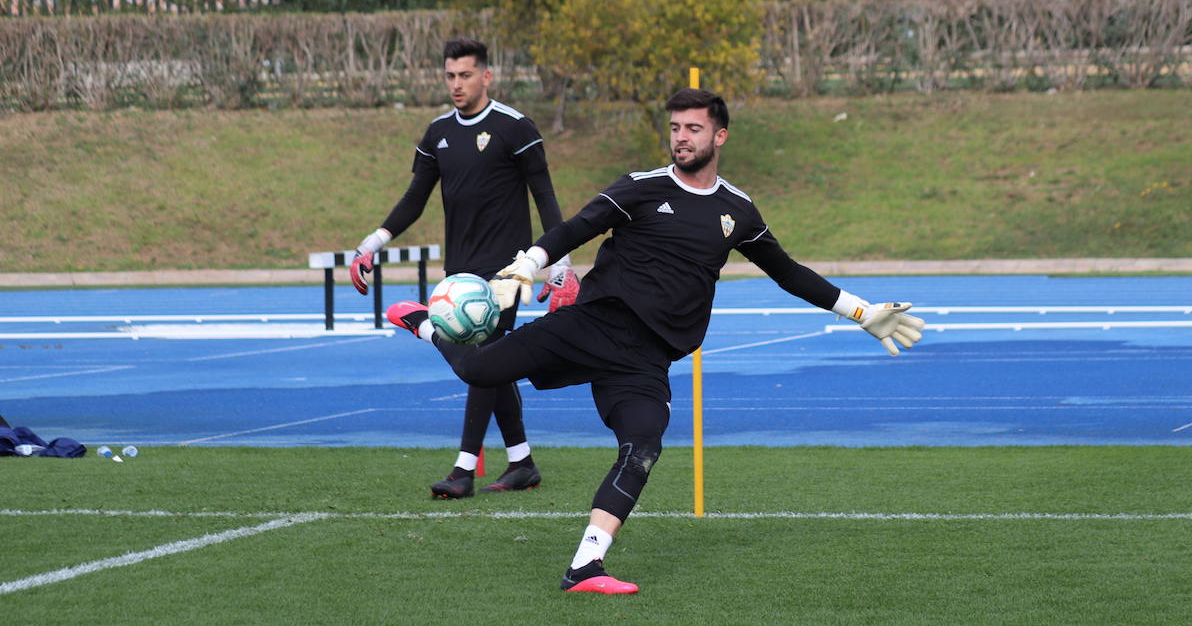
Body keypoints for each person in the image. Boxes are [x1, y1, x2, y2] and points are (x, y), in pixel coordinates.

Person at [385, 88, 923, 594]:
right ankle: (425, 324)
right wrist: (527, 265)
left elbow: (788, 272)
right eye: (675, 128)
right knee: (477, 371)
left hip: (646, 358)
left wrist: (860, 311)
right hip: (591, 325)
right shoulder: (642, 187)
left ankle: (585, 565)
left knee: (642, 446)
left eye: (694, 128)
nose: (682, 137)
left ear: (720, 137)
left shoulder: (737, 211)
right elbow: (577, 227)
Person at [349, 37, 579, 500]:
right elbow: (415, 200)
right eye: (451, 76)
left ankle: (462, 470)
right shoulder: (438, 134)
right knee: (492, 367)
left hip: (510, 271)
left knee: (480, 362)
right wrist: (371, 243)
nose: (457, 84)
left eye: (466, 75)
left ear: (486, 76)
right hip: (459, 277)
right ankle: (522, 463)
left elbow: (546, 199)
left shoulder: (516, 128)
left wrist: (561, 265)